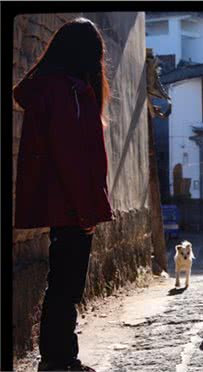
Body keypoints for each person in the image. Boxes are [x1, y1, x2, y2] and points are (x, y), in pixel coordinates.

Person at [13, 18, 113, 371]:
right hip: (71, 207)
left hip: (59, 204)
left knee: (62, 284)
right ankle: (59, 361)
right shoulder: (68, 92)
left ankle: (59, 357)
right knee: (66, 287)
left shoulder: (50, 88)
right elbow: (72, 157)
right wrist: (86, 212)